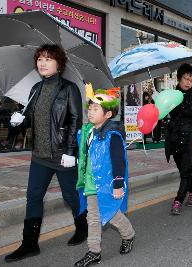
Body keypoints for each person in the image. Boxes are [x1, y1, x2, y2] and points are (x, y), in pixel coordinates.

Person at [5, 45, 85, 262]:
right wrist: (16, 124)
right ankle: (29, 244)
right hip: (39, 155)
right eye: (40, 59)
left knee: (71, 196)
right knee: (33, 196)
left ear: (59, 64)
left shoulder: (69, 89)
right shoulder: (35, 90)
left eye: (48, 59)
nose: (42, 62)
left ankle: (83, 227)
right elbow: (30, 120)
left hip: (62, 155)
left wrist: (70, 151)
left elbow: (76, 121)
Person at [74, 87, 135, 267]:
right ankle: (95, 251)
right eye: (90, 108)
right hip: (91, 183)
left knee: (110, 214)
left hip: (107, 183)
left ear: (108, 114)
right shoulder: (88, 132)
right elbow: (84, 154)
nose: (90, 112)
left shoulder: (112, 135)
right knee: (95, 216)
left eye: (95, 109)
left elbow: (119, 161)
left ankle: (127, 235)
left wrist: (118, 183)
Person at [165, 63, 192, 215]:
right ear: (179, 78)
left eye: (191, 80)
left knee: (185, 170)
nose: (188, 82)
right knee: (183, 170)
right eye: (186, 78)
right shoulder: (170, 95)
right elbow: (163, 114)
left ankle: (178, 201)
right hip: (174, 137)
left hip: (190, 137)